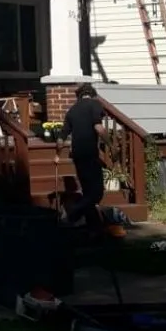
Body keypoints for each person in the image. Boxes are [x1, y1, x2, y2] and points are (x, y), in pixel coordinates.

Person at [55, 83, 111, 231]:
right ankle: (73, 213)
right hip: (90, 154)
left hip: (77, 155)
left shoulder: (72, 110)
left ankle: (93, 229)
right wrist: (112, 146)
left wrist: (57, 155)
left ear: (78, 95)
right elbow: (98, 128)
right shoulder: (94, 104)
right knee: (97, 192)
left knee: (87, 192)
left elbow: (61, 138)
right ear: (92, 94)